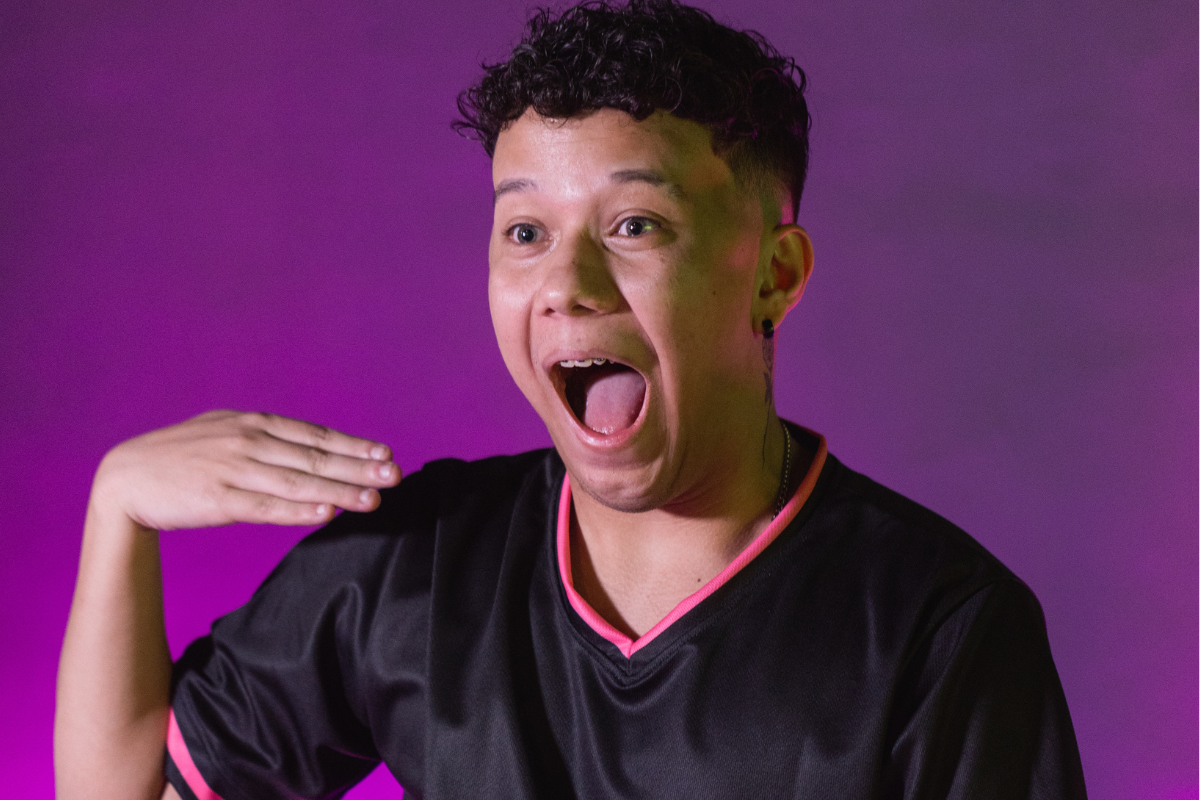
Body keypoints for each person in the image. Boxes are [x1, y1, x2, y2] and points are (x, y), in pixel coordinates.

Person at [54, 1, 1088, 798]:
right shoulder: (412, 568)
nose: (566, 283)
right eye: (525, 232)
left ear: (775, 275)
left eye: (635, 225)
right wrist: (119, 510)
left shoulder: (937, 629)